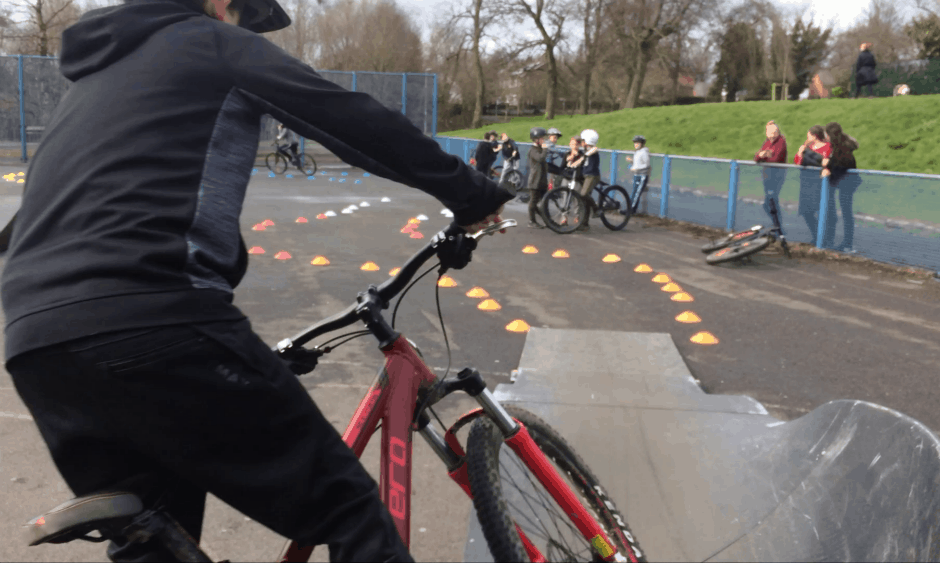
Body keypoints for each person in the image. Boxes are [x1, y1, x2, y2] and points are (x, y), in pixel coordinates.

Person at [0, 0, 512, 561]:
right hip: (156, 321)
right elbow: (349, 117)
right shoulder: (212, 43)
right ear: (222, 5)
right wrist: (472, 195)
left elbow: (39, 218)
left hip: (39, 348)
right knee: (346, 512)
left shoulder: (90, 89)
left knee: (156, 535)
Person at [821, 122, 861, 252]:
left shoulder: (842, 148)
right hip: (845, 183)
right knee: (845, 213)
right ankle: (845, 242)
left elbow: (842, 163)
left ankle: (848, 244)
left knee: (847, 213)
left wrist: (829, 168)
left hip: (847, 183)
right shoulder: (840, 146)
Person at [794, 125, 833, 245]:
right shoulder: (808, 147)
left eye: (809, 134)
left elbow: (827, 161)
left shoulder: (827, 147)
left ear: (814, 136)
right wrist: (800, 153)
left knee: (821, 210)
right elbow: (797, 162)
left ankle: (825, 238)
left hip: (819, 182)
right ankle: (816, 235)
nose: (807, 137)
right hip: (806, 182)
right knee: (806, 211)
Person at [753, 120, 788, 226]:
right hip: (767, 175)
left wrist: (764, 156)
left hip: (777, 176)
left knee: (771, 201)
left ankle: (778, 225)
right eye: (768, 131)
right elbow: (757, 157)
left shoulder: (781, 142)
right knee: (769, 203)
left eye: (773, 132)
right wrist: (763, 155)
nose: (770, 134)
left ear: (777, 132)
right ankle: (776, 224)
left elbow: (776, 159)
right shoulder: (767, 142)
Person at [578, 129, 601, 231]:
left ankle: (596, 209)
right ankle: (584, 224)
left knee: (583, 194)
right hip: (586, 175)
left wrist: (585, 155)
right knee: (584, 200)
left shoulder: (592, 150)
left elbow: (595, 149)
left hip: (592, 176)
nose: (581, 143)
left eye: (583, 141)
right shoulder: (585, 150)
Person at [526, 126, 549, 228]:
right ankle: (532, 221)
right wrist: (544, 149)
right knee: (533, 201)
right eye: (542, 138)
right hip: (535, 180)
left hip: (542, 180)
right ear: (536, 139)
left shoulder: (539, 149)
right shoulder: (533, 150)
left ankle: (547, 220)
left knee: (543, 201)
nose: (544, 140)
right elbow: (540, 158)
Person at [625, 135, 650, 211]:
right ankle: (631, 208)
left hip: (642, 175)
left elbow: (646, 164)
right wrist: (631, 160)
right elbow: (638, 163)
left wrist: (636, 168)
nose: (635, 144)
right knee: (634, 192)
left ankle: (631, 210)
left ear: (642, 144)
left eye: (637, 143)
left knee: (636, 193)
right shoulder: (637, 152)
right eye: (635, 143)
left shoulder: (644, 152)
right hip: (636, 174)